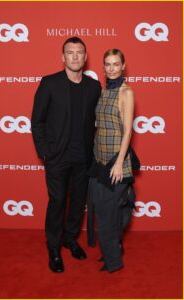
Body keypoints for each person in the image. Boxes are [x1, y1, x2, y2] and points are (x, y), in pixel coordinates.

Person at [31, 37, 101, 273]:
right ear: (63, 57)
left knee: (77, 203)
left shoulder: (93, 87)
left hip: (84, 158)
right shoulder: (49, 83)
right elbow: (37, 121)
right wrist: (45, 152)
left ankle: (70, 239)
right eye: (69, 52)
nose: (74, 56)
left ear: (85, 56)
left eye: (79, 52)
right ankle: (53, 247)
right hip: (57, 158)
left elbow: (97, 121)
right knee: (58, 201)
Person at [87, 49, 136, 273]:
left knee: (108, 216)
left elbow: (127, 132)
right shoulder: (105, 90)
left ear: (123, 66)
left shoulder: (126, 92)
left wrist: (118, 164)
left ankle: (114, 262)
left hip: (116, 162)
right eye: (107, 64)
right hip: (99, 160)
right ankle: (111, 248)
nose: (112, 68)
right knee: (100, 210)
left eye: (116, 64)